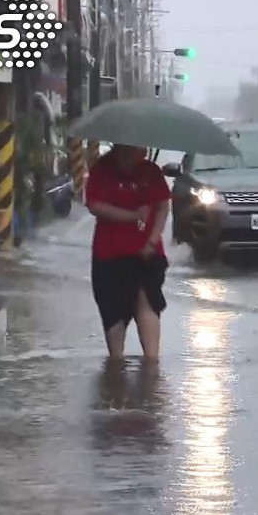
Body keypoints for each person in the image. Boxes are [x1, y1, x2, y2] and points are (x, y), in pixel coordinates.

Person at [84, 144, 171, 362]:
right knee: (112, 308)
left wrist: (151, 240)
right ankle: (116, 360)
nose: (142, 152)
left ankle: (152, 361)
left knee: (147, 300)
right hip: (110, 252)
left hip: (146, 252)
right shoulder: (102, 170)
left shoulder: (151, 172)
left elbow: (162, 206)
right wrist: (132, 216)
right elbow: (95, 205)